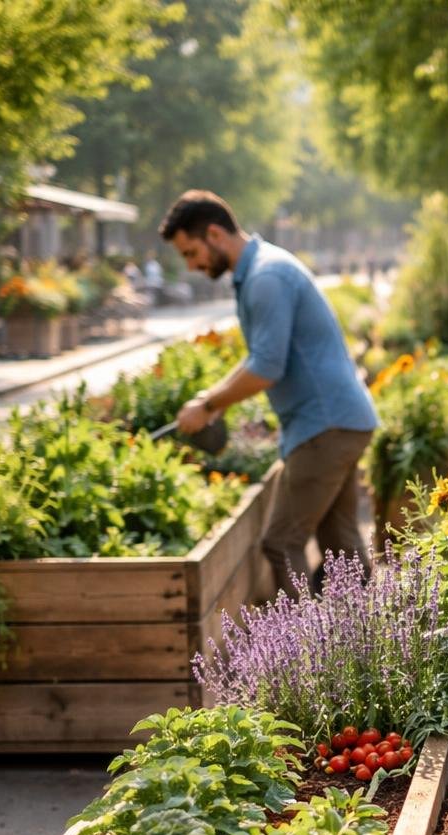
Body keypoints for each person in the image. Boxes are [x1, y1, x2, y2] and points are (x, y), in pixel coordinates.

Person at [162, 189, 379, 597]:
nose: (192, 266)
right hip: (340, 420)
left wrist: (209, 404)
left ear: (214, 233)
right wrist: (213, 398)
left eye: (191, 253)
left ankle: (309, 657)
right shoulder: (265, 268)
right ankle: (366, 642)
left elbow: (265, 367)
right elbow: (259, 357)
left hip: (325, 425)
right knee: (340, 547)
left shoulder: (265, 276)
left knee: (281, 544)